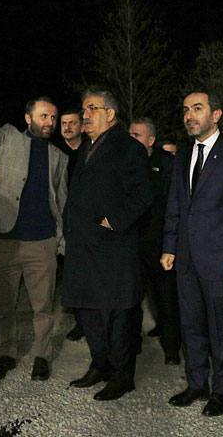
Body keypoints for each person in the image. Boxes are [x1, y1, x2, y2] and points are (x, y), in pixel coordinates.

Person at [162, 91, 223, 417]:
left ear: (216, 115)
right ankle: (196, 384)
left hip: (221, 261)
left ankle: (221, 390)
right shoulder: (182, 156)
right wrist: (169, 246)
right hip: (186, 258)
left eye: (197, 108)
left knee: (221, 329)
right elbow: (175, 206)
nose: (189, 115)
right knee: (190, 325)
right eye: (186, 110)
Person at [0, 76, 68, 382]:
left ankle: (42, 356)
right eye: (43, 116)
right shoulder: (7, 138)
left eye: (53, 117)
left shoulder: (59, 157)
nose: (49, 122)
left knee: (43, 308)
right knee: (3, 306)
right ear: (28, 118)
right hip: (4, 240)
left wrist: (60, 241)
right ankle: (7, 353)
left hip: (42, 242)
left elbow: (61, 200)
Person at [62, 88, 152, 401]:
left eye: (92, 109)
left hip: (112, 248)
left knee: (116, 316)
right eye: (84, 109)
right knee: (89, 313)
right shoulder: (85, 150)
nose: (84, 115)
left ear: (110, 114)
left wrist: (112, 221)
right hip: (82, 248)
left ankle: (122, 376)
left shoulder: (128, 147)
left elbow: (143, 195)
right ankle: (99, 364)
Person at [129, 117, 180, 365]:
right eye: (130, 135)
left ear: (151, 140)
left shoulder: (168, 164)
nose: (131, 140)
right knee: (132, 298)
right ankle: (132, 343)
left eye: (137, 136)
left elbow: (175, 204)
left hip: (160, 244)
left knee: (166, 298)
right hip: (132, 243)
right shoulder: (124, 163)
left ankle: (172, 349)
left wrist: (171, 243)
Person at [55, 108, 86, 342]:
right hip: (64, 224)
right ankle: (80, 321)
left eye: (72, 123)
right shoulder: (56, 153)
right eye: (64, 123)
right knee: (71, 277)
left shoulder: (90, 151)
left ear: (82, 126)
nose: (67, 127)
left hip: (87, 223)